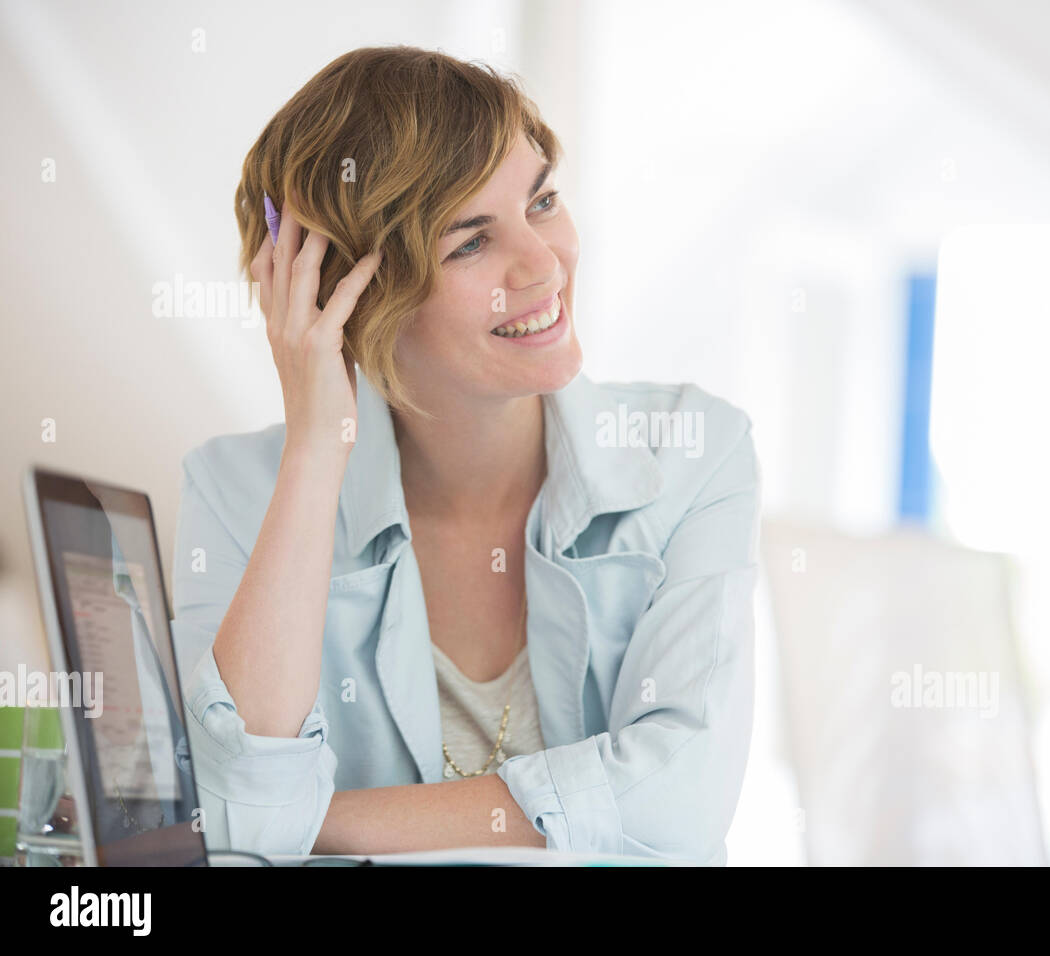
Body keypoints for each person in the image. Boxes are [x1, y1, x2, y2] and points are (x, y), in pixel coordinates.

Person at [170, 45, 761, 865]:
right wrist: (315, 444)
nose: (544, 262)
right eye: (470, 244)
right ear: (347, 298)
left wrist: (307, 823)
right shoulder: (235, 492)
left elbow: (682, 801)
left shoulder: (693, 454)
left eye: (543, 200)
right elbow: (234, 810)